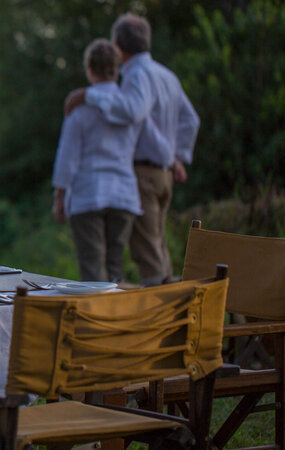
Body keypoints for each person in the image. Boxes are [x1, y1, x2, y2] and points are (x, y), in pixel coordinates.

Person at [64, 13, 200, 286]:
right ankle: (173, 315)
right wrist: (177, 157)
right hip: (163, 175)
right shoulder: (166, 75)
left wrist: (86, 95)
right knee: (158, 247)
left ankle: (162, 322)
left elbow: (132, 111)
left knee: (147, 255)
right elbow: (190, 119)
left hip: (142, 174)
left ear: (117, 45)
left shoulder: (137, 75)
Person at [52, 38, 142, 283]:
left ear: (89, 69)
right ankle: (117, 318)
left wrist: (60, 196)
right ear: (116, 69)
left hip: (88, 194)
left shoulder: (79, 109)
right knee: (115, 269)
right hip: (123, 194)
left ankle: (96, 320)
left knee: (93, 270)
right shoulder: (131, 107)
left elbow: (68, 156)